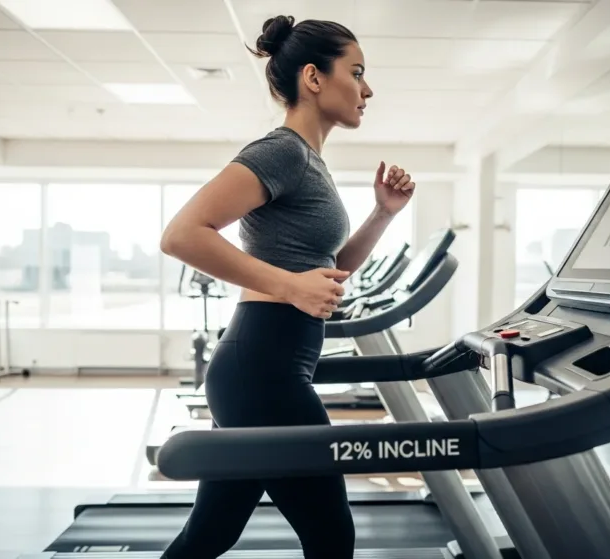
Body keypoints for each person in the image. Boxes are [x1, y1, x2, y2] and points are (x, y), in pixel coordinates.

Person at [158, 14, 416, 559]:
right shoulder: (282, 152)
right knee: (330, 534)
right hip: (262, 369)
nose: (368, 89)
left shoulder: (310, 162)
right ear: (314, 78)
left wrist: (382, 215)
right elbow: (181, 235)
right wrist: (289, 287)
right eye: (358, 72)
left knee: (210, 534)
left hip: (262, 365)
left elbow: (329, 267)